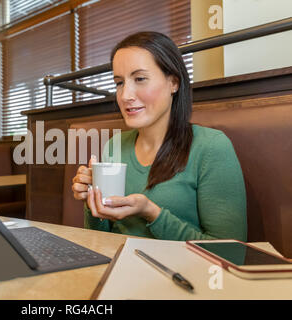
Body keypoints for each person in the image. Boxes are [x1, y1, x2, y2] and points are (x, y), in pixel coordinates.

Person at [71, 31, 247, 241]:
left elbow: (230, 252)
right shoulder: (114, 146)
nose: (126, 95)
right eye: (119, 83)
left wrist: (151, 213)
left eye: (140, 79)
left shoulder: (211, 147)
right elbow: (100, 241)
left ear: (173, 83)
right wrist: (92, 203)